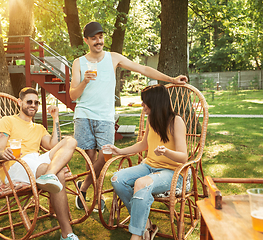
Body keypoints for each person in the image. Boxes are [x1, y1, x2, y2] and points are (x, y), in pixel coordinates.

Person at [69, 21, 188, 212]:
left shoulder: (113, 58)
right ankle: (97, 198)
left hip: (105, 117)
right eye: (94, 38)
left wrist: (171, 79)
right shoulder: (78, 63)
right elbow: (73, 95)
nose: (98, 41)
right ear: (86, 41)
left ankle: (83, 188)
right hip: (83, 115)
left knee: (104, 158)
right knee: (89, 160)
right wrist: (84, 81)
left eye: (100, 37)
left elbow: (144, 69)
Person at [0, 87, 80, 240]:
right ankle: (67, 233)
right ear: (19, 102)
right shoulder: (7, 121)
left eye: (36, 103)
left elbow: (53, 145)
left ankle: (49, 175)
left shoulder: (38, 127)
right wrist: (1, 153)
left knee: (71, 141)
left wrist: (55, 118)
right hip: (15, 164)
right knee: (59, 174)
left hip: (35, 160)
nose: (33, 105)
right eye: (29, 101)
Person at [105, 84, 188, 240]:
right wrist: (119, 150)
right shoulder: (151, 119)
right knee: (117, 179)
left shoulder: (176, 121)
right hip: (149, 166)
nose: (142, 105)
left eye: (145, 102)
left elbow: (183, 157)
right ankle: (145, 224)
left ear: (155, 102)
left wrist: (166, 152)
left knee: (141, 184)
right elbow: (143, 145)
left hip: (172, 173)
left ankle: (136, 236)